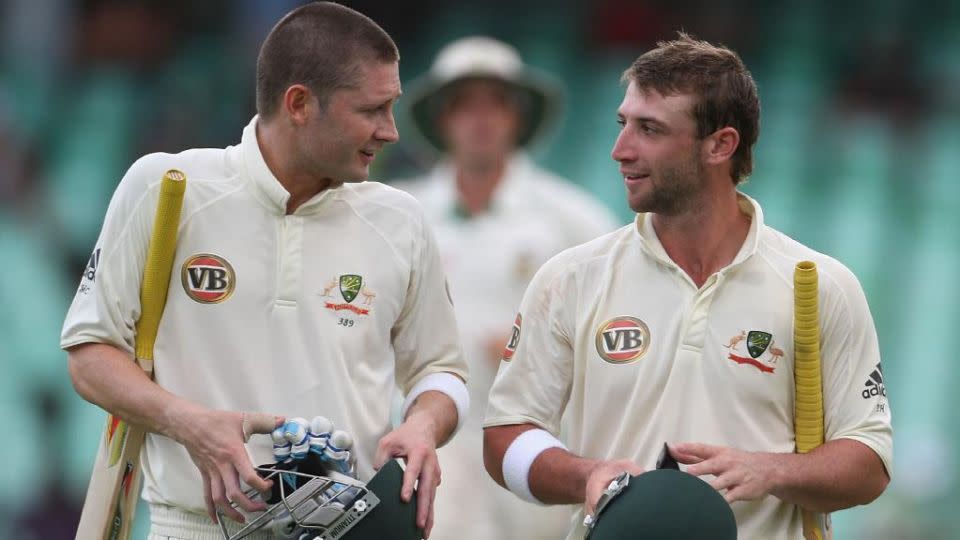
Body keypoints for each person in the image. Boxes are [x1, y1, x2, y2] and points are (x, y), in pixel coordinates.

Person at [61, 3, 469, 539]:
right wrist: (191, 424)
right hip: (194, 528)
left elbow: (443, 373)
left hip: (348, 530)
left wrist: (422, 425)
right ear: (299, 103)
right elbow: (90, 355)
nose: (390, 131)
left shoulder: (401, 220)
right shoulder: (168, 187)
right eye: (372, 109)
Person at [482, 33, 892, 540]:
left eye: (649, 129)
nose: (620, 150)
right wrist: (586, 475)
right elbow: (504, 439)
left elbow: (869, 462)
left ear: (720, 144)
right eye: (622, 123)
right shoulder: (570, 277)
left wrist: (769, 470)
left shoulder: (820, 284)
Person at [393, 36, 619, 539]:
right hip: (433, 443)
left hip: (539, 447)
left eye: (496, 103)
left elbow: (618, 332)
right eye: (464, 105)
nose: (481, 119)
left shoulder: (574, 220)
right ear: (442, 120)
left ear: (516, 117)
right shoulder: (400, 216)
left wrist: (541, 350)